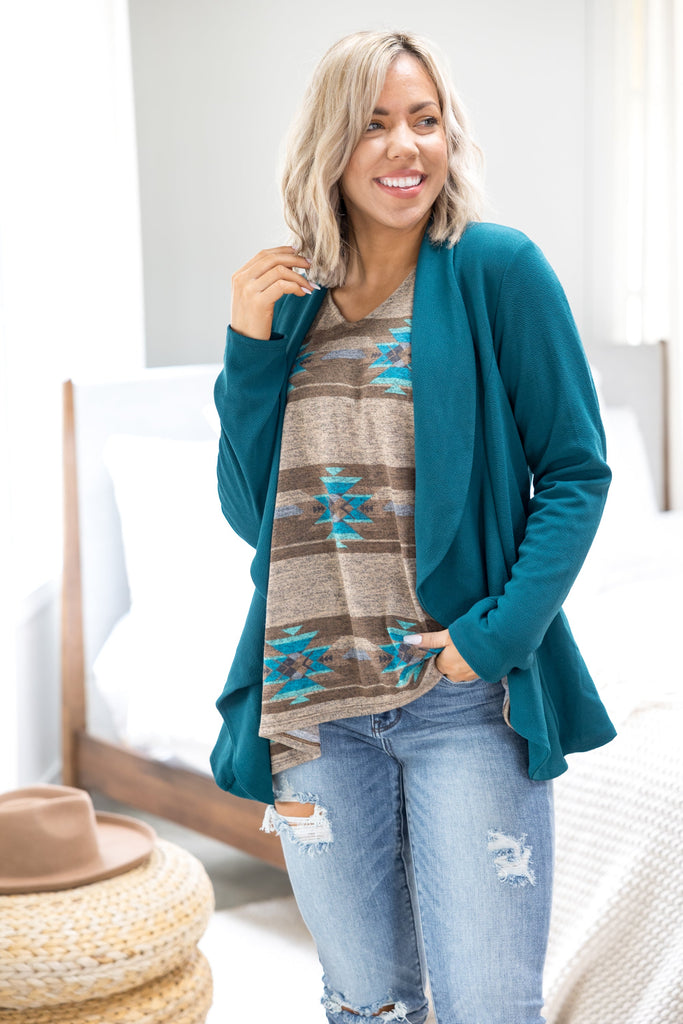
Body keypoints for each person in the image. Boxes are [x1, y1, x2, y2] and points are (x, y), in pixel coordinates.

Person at [210, 29, 616, 1024]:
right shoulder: (290, 301)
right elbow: (252, 513)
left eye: (424, 120)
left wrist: (492, 639)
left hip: (457, 702)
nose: (405, 146)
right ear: (329, 146)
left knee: (487, 1005)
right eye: (374, 123)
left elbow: (574, 470)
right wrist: (248, 349)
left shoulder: (495, 269)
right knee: (366, 1005)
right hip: (311, 704)